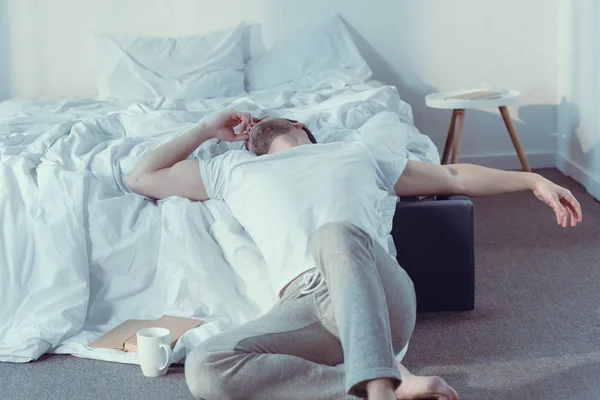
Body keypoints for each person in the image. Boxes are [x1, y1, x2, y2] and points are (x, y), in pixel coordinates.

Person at [126, 110, 583, 400]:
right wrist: (207, 129)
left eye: (273, 114)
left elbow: (452, 176)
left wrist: (531, 180)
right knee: (207, 366)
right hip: (304, 307)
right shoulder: (232, 168)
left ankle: (380, 389)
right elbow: (142, 177)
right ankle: (383, 384)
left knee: (336, 234)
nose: (259, 120)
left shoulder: (355, 154)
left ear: (302, 124)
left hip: (378, 294)